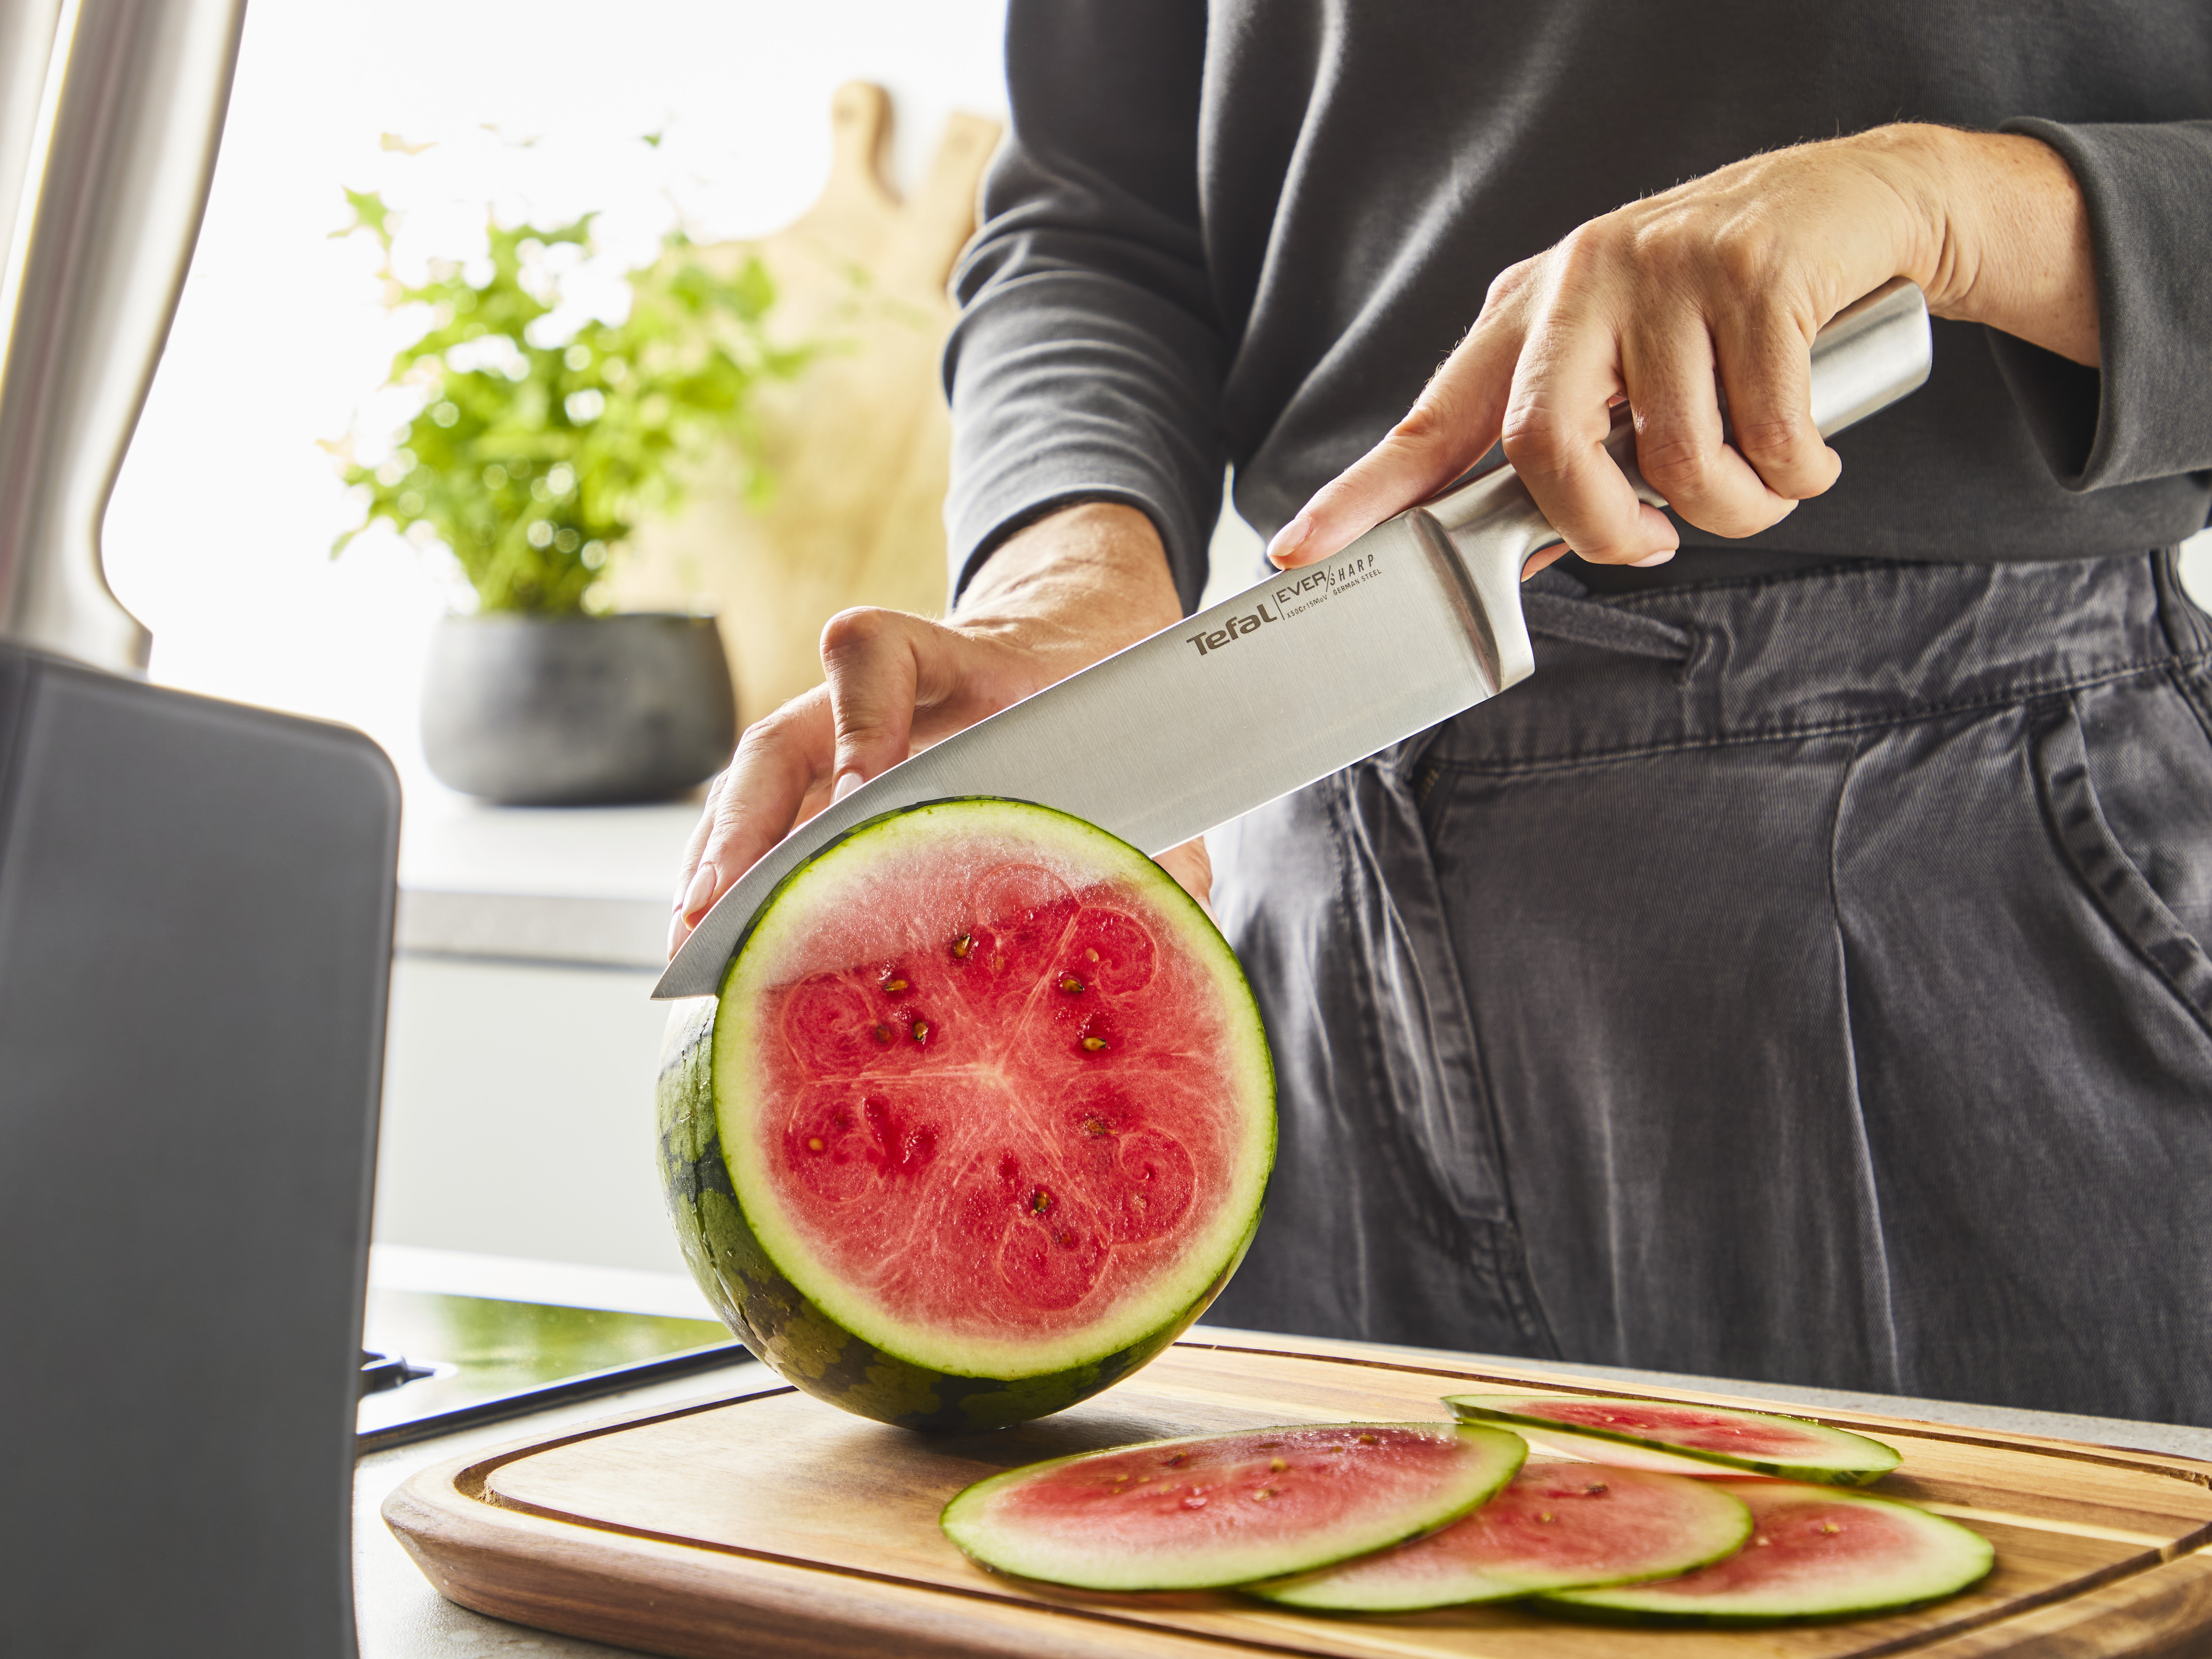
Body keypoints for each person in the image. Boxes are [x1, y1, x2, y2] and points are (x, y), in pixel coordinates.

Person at [672, 3, 2212, 1424]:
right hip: (1308, 876)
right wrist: (1066, 571)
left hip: (1974, 871)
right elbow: (1096, 217)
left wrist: (1948, 205)